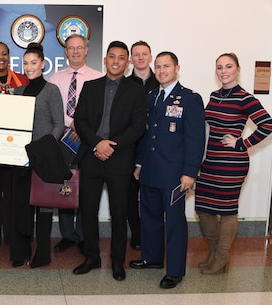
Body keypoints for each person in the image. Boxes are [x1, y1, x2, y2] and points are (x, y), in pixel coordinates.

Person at [129, 51, 206, 289]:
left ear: (177, 68)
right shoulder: (151, 96)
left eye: (166, 67)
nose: (162, 71)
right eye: (158, 67)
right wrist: (140, 163)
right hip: (151, 169)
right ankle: (152, 258)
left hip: (174, 173)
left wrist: (190, 172)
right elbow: (146, 133)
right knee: (149, 217)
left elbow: (196, 138)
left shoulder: (190, 99)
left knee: (174, 222)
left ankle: (175, 270)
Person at [72, 41, 146, 281]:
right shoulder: (90, 86)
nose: (116, 61)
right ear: (105, 60)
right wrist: (97, 143)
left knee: (119, 213)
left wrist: (110, 145)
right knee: (88, 211)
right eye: (112, 56)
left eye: (121, 58)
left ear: (128, 62)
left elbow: (137, 127)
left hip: (120, 160)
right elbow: (80, 120)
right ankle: (92, 257)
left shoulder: (135, 90)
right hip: (92, 158)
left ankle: (117, 262)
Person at [195, 53, 272, 275]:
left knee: (227, 211)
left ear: (238, 69)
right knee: (203, 208)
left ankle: (221, 257)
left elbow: (268, 125)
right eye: (219, 67)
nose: (223, 71)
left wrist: (242, 143)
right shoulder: (214, 95)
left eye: (228, 66)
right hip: (209, 161)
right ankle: (215, 254)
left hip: (231, 164)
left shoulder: (245, 98)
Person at [10, 43, 64, 268]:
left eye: (33, 63)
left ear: (43, 64)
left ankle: (43, 253)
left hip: (42, 159)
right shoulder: (18, 92)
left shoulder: (51, 90)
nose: (29, 67)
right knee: (21, 207)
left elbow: (59, 125)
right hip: (21, 159)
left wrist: (43, 149)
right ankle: (21, 251)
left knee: (43, 207)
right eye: (25, 63)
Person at [48, 34, 103, 253]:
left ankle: (83, 234)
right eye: (71, 48)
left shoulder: (98, 77)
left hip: (87, 141)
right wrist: (74, 124)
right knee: (65, 185)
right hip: (62, 139)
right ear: (66, 51)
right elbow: (53, 111)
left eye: (79, 47)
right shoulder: (55, 78)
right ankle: (67, 234)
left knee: (86, 188)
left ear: (87, 50)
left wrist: (84, 129)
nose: (76, 51)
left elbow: (100, 113)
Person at [0, 41, 29, 250]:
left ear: (9, 56)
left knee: (13, 192)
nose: (0, 57)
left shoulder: (21, 79)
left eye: (4, 54)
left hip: (16, 147)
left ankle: (12, 233)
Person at [125, 40, 159, 250]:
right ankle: (136, 234)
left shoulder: (162, 81)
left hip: (155, 150)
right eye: (136, 54)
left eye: (144, 54)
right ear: (131, 59)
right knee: (130, 196)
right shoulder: (125, 84)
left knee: (152, 196)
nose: (140, 58)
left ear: (150, 56)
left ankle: (151, 234)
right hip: (130, 149)